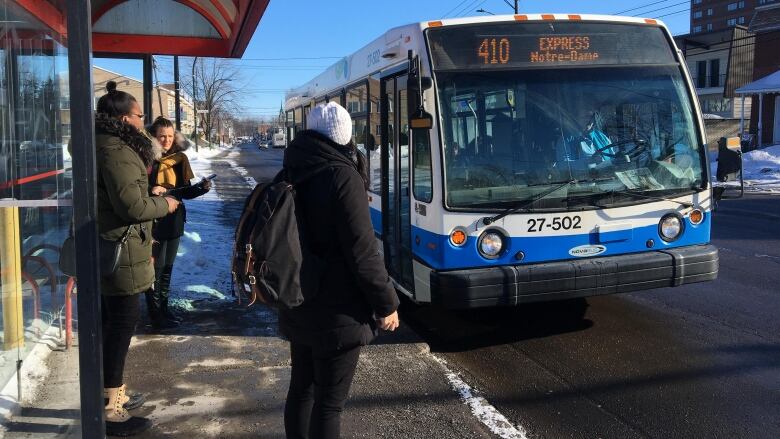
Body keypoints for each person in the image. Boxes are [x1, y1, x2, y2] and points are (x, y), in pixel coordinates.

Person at [280, 102, 400, 439]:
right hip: (338, 309)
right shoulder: (342, 174)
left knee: (301, 389)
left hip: (298, 296)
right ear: (345, 135)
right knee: (330, 404)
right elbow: (363, 252)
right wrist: (386, 303)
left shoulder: (292, 166)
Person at [95, 81, 179, 436]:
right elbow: (131, 205)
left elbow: (125, 193)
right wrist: (164, 203)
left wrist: (149, 190)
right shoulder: (116, 150)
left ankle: (112, 393)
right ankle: (110, 409)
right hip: (121, 247)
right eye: (139, 116)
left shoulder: (107, 145)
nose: (143, 122)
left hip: (115, 244)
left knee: (115, 323)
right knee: (121, 325)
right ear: (123, 118)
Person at [147, 116, 211, 328]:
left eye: (170, 136)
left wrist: (202, 187)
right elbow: (135, 191)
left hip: (174, 221)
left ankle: (164, 310)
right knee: (154, 272)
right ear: (154, 137)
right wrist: (152, 190)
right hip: (153, 222)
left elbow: (185, 192)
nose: (166, 140)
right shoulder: (146, 159)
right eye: (161, 136)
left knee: (167, 269)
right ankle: (155, 315)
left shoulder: (179, 159)